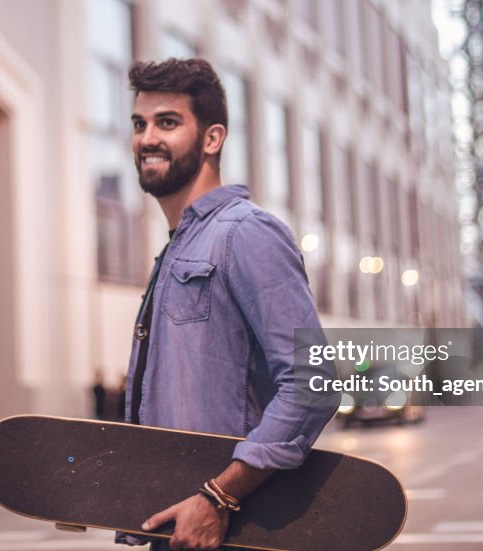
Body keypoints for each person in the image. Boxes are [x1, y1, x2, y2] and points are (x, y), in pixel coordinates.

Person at [118, 58, 337, 550]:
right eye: (139, 124)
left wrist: (219, 496)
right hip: (177, 531)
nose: (147, 138)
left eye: (167, 122)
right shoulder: (177, 248)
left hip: (234, 531)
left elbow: (314, 381)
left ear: (212, 138)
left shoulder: (245, 233)